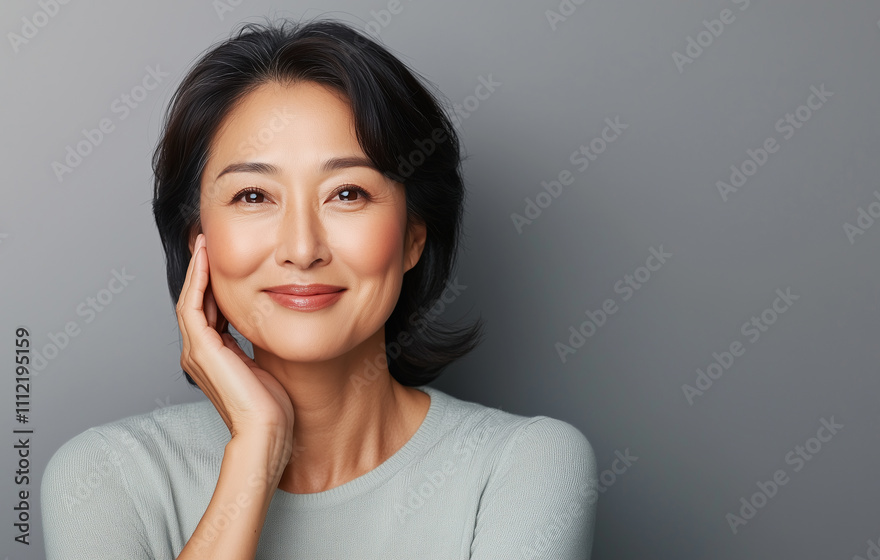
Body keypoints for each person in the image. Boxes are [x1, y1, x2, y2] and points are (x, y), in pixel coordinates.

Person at [39, 17, 598, 560]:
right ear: (198, 240)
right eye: (254, 196)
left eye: (347, 193)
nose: (302, 248)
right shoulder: (105, 477)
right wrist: (256, 449)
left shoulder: (523, 467)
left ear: (413, 238)